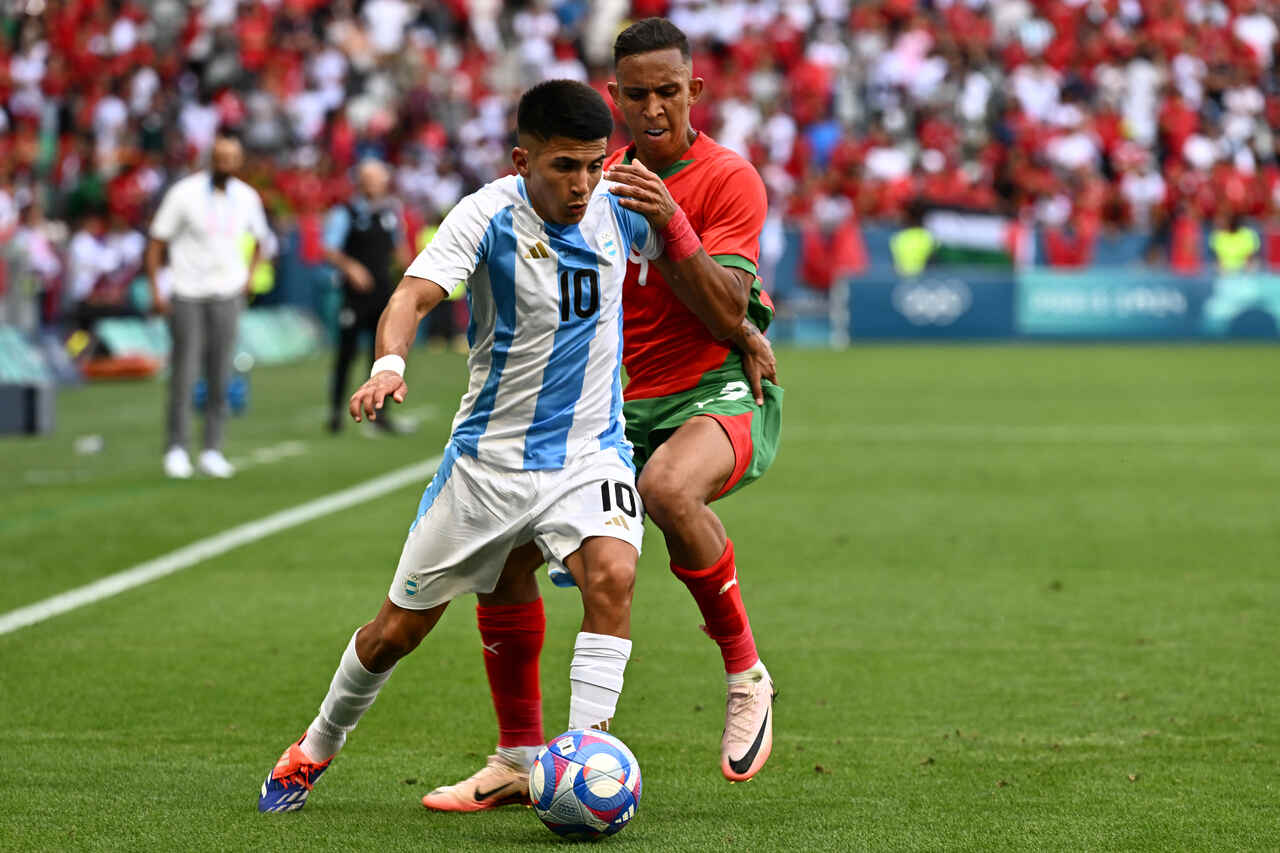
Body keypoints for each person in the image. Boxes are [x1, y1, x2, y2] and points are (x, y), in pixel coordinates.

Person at [258, 79, 712, 813]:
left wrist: (742, 329)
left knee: (612, 575)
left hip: (588, 454)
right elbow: (409, 296)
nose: (583, 183)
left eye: (595, 164)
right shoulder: (486, 213)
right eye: (565, 166)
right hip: (486, 467)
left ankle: (581, 761)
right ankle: (314, 746)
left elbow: (694, 275)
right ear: (521, 158)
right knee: (392, 634)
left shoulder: (623, 203)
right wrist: (389, 364)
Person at [421, 17, 784, 812]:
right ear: (614, 96)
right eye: (638, 94)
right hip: (613, 408)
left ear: (695, 90)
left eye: (669, 91)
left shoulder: (727, 178)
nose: (654, 108)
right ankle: (520, 757)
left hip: (710, 390)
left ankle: (746, 674)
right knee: (509, 553)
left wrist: (672, 223)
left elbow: (725, 309)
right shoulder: (590, 174)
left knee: (667, 488)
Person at [145, 129, 271, 479]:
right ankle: (177, 448)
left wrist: (248, 277)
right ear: (209, 158)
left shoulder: (246, 197)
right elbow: (157, 241)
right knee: (184, 373)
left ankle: (213, 448)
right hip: (187, 290)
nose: (225, 164)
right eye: (220, 158)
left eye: (231, 159)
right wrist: (157, 287)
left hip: (227, 291)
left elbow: (262, 239)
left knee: (220, 373)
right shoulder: (184, 194)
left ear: (239, 161)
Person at [324, 158, 412, 433]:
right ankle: (336, 412)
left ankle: (379, 414)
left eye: (378, 178)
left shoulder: (390, 212)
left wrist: (410, 276)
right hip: (354, 296)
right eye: (369, 178)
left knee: (382, 355)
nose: (374, 184)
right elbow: (329, 249)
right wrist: (351, 268)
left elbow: (399, 248)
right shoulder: (345, 212)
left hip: (383, 294)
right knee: (346, 353)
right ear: (360, 182)